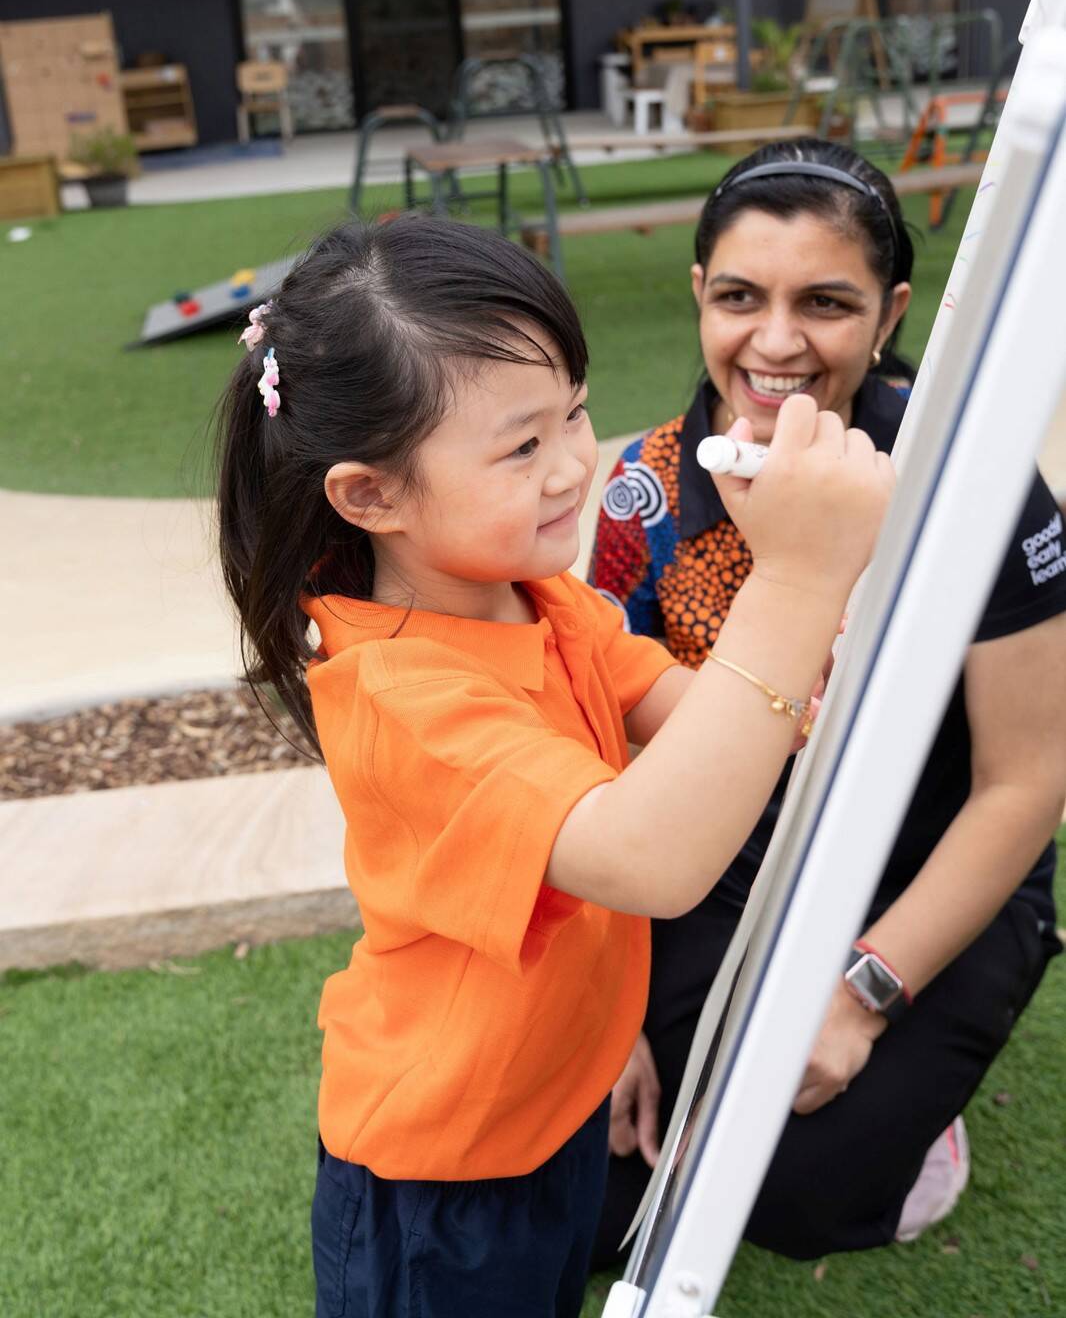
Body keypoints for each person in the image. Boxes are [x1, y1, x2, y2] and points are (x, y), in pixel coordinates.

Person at [215, 213, 893, 1317]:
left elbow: (680, 710)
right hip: (442, 1172)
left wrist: (820, 658)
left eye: (574, 412)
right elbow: (649, 853)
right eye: (522, 445)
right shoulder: (405, 698)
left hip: (553, 1101)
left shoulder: (539, 594)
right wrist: (793, 586)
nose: (575, 463)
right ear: (370, 495)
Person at [589, 139, 1066, 1266]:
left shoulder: (980, 485)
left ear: (892, 310)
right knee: (602, 1173)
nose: (777, 341)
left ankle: (917, 1109)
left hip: (930, 867)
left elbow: (1027, 781)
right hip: (723, 867)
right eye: (741, 296)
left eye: (827, 302)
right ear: (697, 293)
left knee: (797, 1185)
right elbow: (601, 763)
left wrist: (858, 998)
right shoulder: (645, 491)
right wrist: (599, 1013)